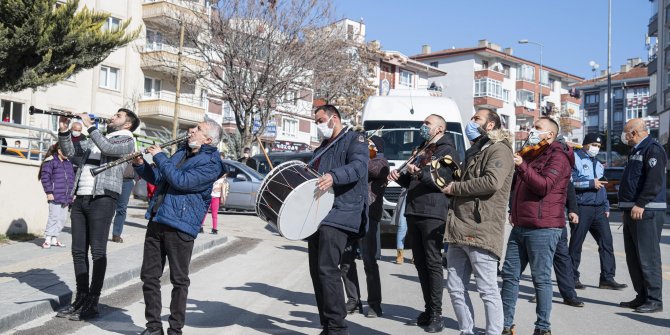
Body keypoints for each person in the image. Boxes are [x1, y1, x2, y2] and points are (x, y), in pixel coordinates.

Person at [134, 119, 225, 335]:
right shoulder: (182, 151)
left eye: (198, 129)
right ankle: (153, 327)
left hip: (181, 225)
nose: (191, 130)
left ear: (208, 139)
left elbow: (181, 181)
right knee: (149, 276)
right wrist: (140, 164)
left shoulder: (212, 164)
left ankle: (175, 330)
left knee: (179, 280)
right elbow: (160, 177)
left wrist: (160, 156)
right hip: (158, 218)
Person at [55, 108, 139, 321]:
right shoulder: (99, 137)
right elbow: (71, 152)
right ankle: (81, 297)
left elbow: (107, 147)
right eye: (114, 114)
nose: (112, 117)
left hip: (103, 198)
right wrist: (64, 130)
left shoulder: (126, 141)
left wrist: (89, 125)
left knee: (98, 251)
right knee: (78, 251)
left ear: (127, 124)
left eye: (118, 116)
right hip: (82, 196)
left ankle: (93, 301)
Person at [441, 108, 514, 335]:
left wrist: (456, 188)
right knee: (454, 287)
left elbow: (491, 182)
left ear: (490, 125)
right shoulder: (475, 150)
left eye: (476, 119)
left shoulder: (500, 150)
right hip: (458, 227)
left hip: (481, 228)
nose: (471, 123)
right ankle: (466, 330)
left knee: (487, 289)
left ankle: (493, 332)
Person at [501, 117, 574, 335]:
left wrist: (521, 165)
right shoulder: (533, 154)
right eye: (533, 127)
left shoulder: (559, 157)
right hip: (521, 224)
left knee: (540, 278)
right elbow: (518, 187)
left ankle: (543, 327)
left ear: (550, 135)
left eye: (538, 128)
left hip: (544, 227)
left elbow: (543, 186)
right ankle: (505, 325)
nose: (533, 131)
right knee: (509, 275)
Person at [388, 113, 458, 333]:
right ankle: (428, 309)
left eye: (427, 123)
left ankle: (437, 314)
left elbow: (442, 181)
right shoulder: (421, 148)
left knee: (432, 262)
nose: (423, 126)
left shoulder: (447, 150)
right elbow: (411, 180)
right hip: (415, 209)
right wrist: (400, 177)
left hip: (432, 211)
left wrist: (419, 174)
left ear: (440, 128)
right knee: (419, 262)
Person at [308, 104, 368, 335]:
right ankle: (328, 325)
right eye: (315, 122)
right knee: (318, 271)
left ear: (334, 118)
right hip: (319, 215)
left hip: (342, 212)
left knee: (327, 269)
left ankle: (337, 328)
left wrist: (334, 176)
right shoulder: (321, 148)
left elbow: (359, 167)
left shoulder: (356, 140)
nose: (318, 126)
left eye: (320, 120)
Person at [618, 118, 667, 313]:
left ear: (634, 133)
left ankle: (655, 300)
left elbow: (654, 181)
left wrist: (641, 203)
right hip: (633, 211)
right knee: (634, 257)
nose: (624, 136)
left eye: (626, 132)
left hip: (647, 210)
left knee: (648, 257)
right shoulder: (636, 150)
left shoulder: (652, 149)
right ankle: (642, 296)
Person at [569, 133, 627, 290]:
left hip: (599, 208)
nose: (596, 148)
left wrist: (606, 205)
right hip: (582, 207)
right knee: (576, 243)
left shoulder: (599, 163)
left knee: (606, 242)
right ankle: (572, 277)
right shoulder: (574, 158)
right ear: (586, 144)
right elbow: (570, 183)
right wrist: (589, 183)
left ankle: (607, 278)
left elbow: (601, 185)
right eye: (593, 144)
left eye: (599, 146)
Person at [340, 135, 389, 318]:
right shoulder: (359, 160)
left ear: (376, 148)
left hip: (368, 217)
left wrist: (356, 155)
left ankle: (375, 304)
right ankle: (353, 300)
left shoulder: (381, 162)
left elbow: (366, 169)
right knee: (345, 262)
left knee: (369, 262)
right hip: (350, 215)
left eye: (368, 144)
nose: (364, 146)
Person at [39, 143, 75, 249]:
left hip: (66, 196)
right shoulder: (50, 161)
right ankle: (47, 239)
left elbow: (71, 179)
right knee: (53, 217)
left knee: (62, 218)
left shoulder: (68, 163)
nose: (68, 154)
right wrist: (49, 192)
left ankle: (54, 238)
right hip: (55, 195)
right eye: (66, 151)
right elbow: (45, 178)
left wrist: (72, 194)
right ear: (59, 151)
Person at [111, 163, 137, 243]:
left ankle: (116, 234)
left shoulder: (134, 149)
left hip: (127, 182)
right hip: (113, 180)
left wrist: (135, 178)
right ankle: (101, 233)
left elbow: (138, 162)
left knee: (122, 209)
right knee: (108, 207)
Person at [394, 189, 408, 264]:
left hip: (420, 197)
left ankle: (416, 255)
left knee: (416, 229)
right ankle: (399, 255)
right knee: (401, 226)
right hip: (406, 194)